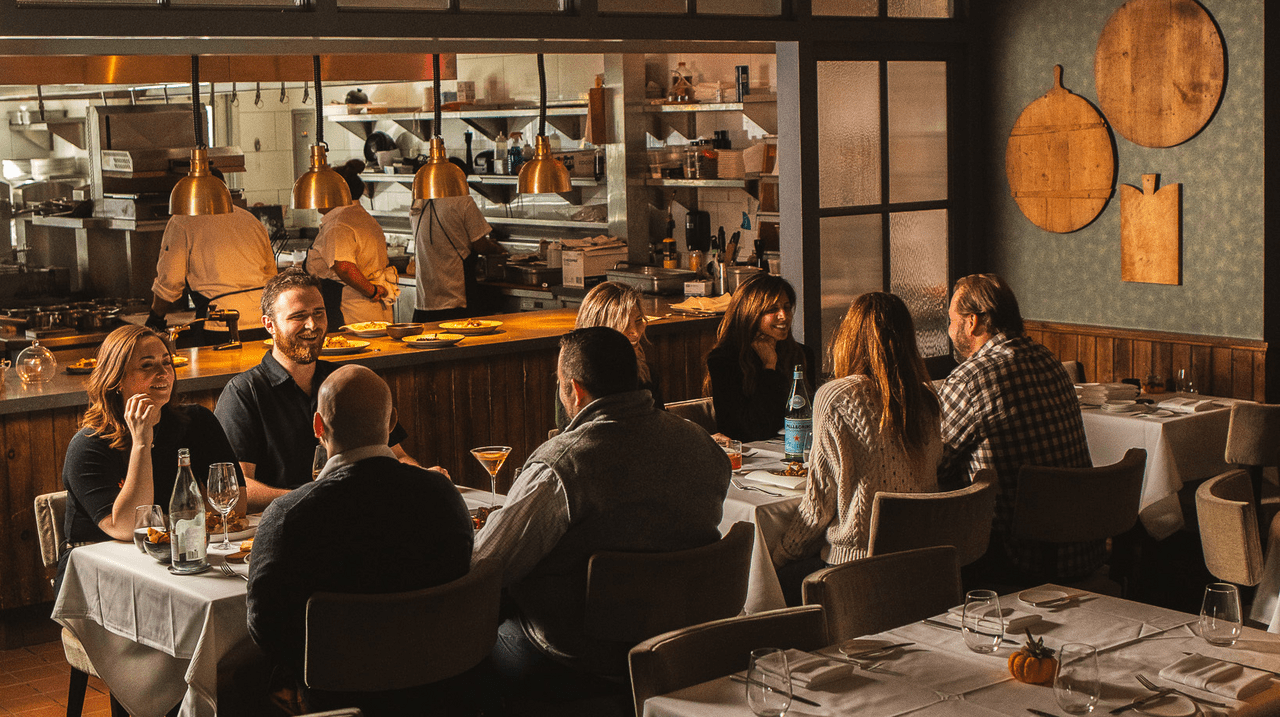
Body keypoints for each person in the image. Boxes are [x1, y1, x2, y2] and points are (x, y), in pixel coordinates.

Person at [473, 326, 730, 692]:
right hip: (682, 643)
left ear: (575, 390)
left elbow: (487, 565)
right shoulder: (700, 443)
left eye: (559, 384)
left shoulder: (562, 465)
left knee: (463, 644)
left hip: (578, 656)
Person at [246, 364, 473, 714]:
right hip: (443, 690)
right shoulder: (443, 496)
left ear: (318, 427)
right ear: (392, 421)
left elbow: (264, 625)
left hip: (334, 699)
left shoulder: (289, 516)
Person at [772, 292, 941, 603]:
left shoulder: (836, 396)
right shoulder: (926, 400)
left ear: (849, 337)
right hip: (918, 564)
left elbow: (818, 506)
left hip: (854, 569)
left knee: (765, 584)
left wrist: (778, 555)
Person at [214, 268, 419, 511]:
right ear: (270, 324)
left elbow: (397, 456)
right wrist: (314, 497)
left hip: (355, 513)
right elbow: (238, 487)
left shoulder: (346, 380)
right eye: (298, 316)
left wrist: (425, 478)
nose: (312, 325)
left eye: (318, 313)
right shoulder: (243, 393)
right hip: (283, 521)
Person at [59, 325, 243, 589]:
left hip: (171, 561)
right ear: (116, 380)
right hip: (97, 573)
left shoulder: (197, 422)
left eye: (167, 362)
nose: (163, 373)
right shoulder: (88, 446)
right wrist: (142, 443)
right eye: (147, 366)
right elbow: (127, 527)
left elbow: (235, 504)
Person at [937, 273, 1094, 581]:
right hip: (1080, 546)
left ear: (972, 322)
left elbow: (936, 466)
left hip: (1013, 559)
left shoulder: (971, 379)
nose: (950, 329)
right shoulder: (1049, 360)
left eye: (952, 320)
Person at [147, 168, 277, 342]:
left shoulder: (182, 220)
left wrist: (155, 318)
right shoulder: (251, 220)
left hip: (221, 324)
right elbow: (272, 276)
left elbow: (170, 281)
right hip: (263, 320)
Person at [704, 273, 816, 442]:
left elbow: (808, 418)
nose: (784, 316)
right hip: (748, 454)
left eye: (786, 307)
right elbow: (750, 430)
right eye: (772, 310)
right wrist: (769, 367)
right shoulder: (724, 360)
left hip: (797, 448)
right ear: (750, 314)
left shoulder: (802, 355)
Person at [555, 281, 663, 428]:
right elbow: (570, 434)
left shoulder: (646, 373)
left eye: (638, 321)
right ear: (600, 328)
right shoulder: (574, 379)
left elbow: (660, 425)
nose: (635, 332)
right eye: (624, 324)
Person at [306, 160, 396, 328]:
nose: (317, 198)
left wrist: (372, 291)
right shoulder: (360, 216)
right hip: (370, 309)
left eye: (321, 192)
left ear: (335, 194)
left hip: (350, 312)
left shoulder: (338, 224)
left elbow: (345, 267)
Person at [409, 192, 499, 324]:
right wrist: (497, 249)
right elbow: (481, 245)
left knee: (427, 337)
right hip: (456, 301)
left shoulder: (418, 202)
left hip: (425, 302)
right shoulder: (463, 201)